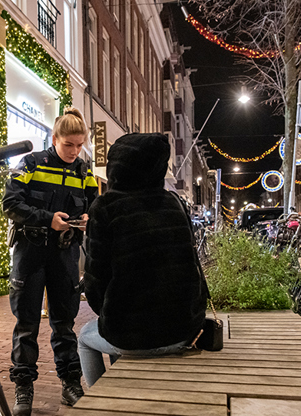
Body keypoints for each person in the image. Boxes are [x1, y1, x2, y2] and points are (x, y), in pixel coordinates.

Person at [79, 133, 207, 387]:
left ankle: (100, 405)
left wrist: (110, 315)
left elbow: (96, 281)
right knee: (115, 328)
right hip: (186, 329)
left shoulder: (105, 207)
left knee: (84, 337)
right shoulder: (174, 203)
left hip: (134, 337)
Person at [2, 106, 98, 415]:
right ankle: (23, 389)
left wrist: (87, 217)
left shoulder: (85, 172)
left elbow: (95, 208)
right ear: (53, 138)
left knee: (64, 325)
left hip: (65, 255)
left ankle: (71, 383)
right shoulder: (30, 163)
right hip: (30, 254)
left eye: (79, 144)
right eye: (68, 144)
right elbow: (10, 204)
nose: (74, 150)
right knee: (27, 325)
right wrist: (47, 219)